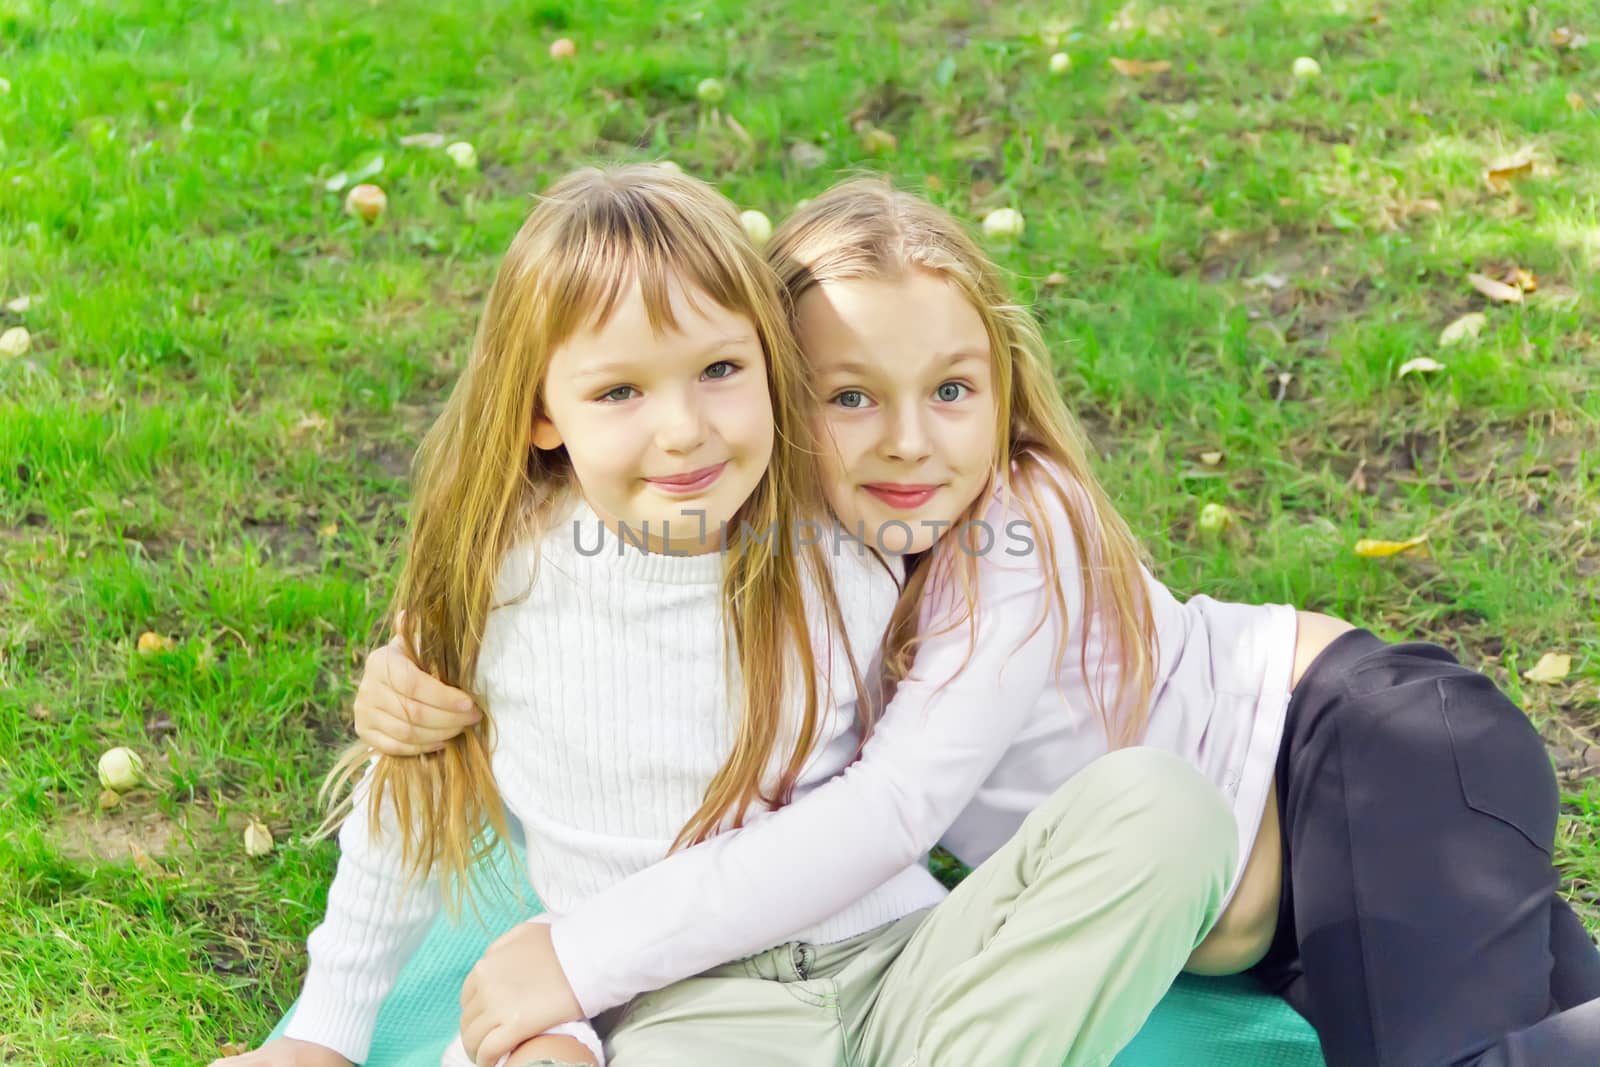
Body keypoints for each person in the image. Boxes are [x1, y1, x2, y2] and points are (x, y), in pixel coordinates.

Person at [361, 177, 1600, 1067]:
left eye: (952, 389)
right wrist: (415, 663)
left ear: (1001, 385)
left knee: (1457, 1048)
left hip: (1350, 748)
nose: (908, 440)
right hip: (1242, 911)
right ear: (780, 396)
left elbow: (896, 803)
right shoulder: (779, 524)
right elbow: (606, 529)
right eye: (849, 396)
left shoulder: (1020, 522)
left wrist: (578, 953)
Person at [214, 164, 1237, 1067]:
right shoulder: (500, 579)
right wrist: (325, 1029)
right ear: (539, 413)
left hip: (902, 961)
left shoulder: (842, 532)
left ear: (772, 366)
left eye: (718, 369)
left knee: (1162, 805)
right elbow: (411, 804)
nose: (685, 428)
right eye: (618, 390)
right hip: (693, 1010)